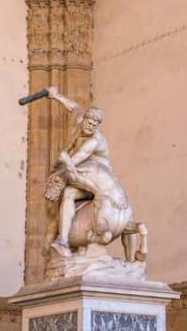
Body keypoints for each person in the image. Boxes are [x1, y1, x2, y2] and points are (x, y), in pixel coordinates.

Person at [44, 86, 122, 256]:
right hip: (82, 173)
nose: (90, 126)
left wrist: (60, 169)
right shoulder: (81, 121)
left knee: (69, 191)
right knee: (69, 194)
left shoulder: (94, 140)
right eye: (89, 122)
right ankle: (62, 241)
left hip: (97, 178)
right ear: (85, 119)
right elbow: (74, 107)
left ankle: (63, 238)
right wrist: (56, 96)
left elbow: (76, 159)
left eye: (95, 124)